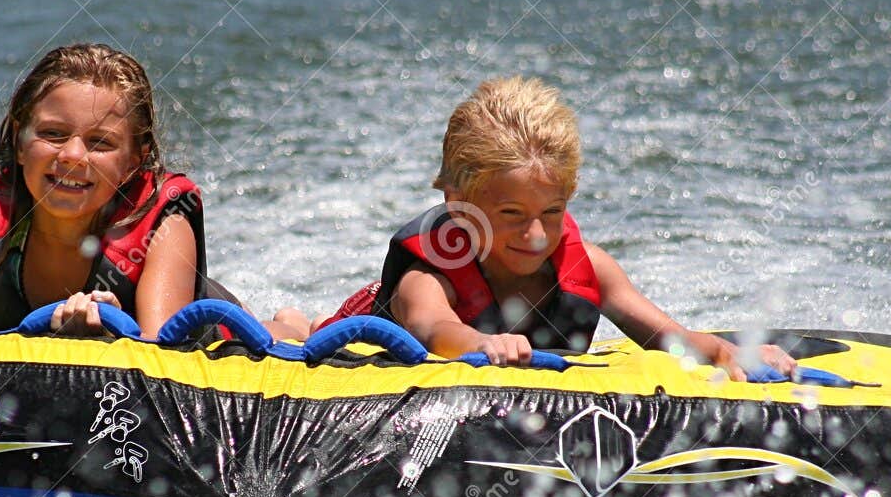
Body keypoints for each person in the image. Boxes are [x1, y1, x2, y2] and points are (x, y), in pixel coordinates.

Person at [0, 43, 307, 340]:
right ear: (19, 139)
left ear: (134, 161)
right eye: (53, 134)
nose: (72, 155)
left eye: (100, 143)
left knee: (277, 336)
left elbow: (162, 351)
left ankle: (294, 322)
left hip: (219, 338)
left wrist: (114, 324)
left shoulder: (161, 232)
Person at [319, 76, 795, 378]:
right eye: (511, 216)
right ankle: (295, 321)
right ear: (459, 205)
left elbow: (667, 336)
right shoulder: (429, 275)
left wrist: (724, 352)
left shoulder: (588, 267)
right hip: (358, 330)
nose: (536, 236)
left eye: (551, 212)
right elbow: (432, 326)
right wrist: (483, 344)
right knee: (304, 330)